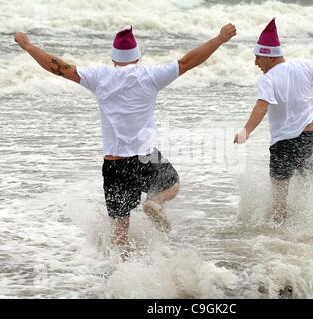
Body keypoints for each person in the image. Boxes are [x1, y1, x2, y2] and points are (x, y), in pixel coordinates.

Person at [14, 23, 237, 254]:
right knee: (172, 184)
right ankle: (156, 202)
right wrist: (219, 39)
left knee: (120, 235)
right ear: (137, 57)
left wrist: (28, 46)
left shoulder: (99, 77)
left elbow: (57, 67)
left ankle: (122, 278)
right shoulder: (151, 76)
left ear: (113, 58)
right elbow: (188, 62)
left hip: (114, 164)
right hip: (144, 157)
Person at [233, 18, 313, 225]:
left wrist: (246, 131)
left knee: (279, 203)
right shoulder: (303, 65)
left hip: (282, 146)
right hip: (308, 140)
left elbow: (261, 106)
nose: (256, 63)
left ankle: (279, 240)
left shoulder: (268, 79)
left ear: (268, 55)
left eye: (258, 57)